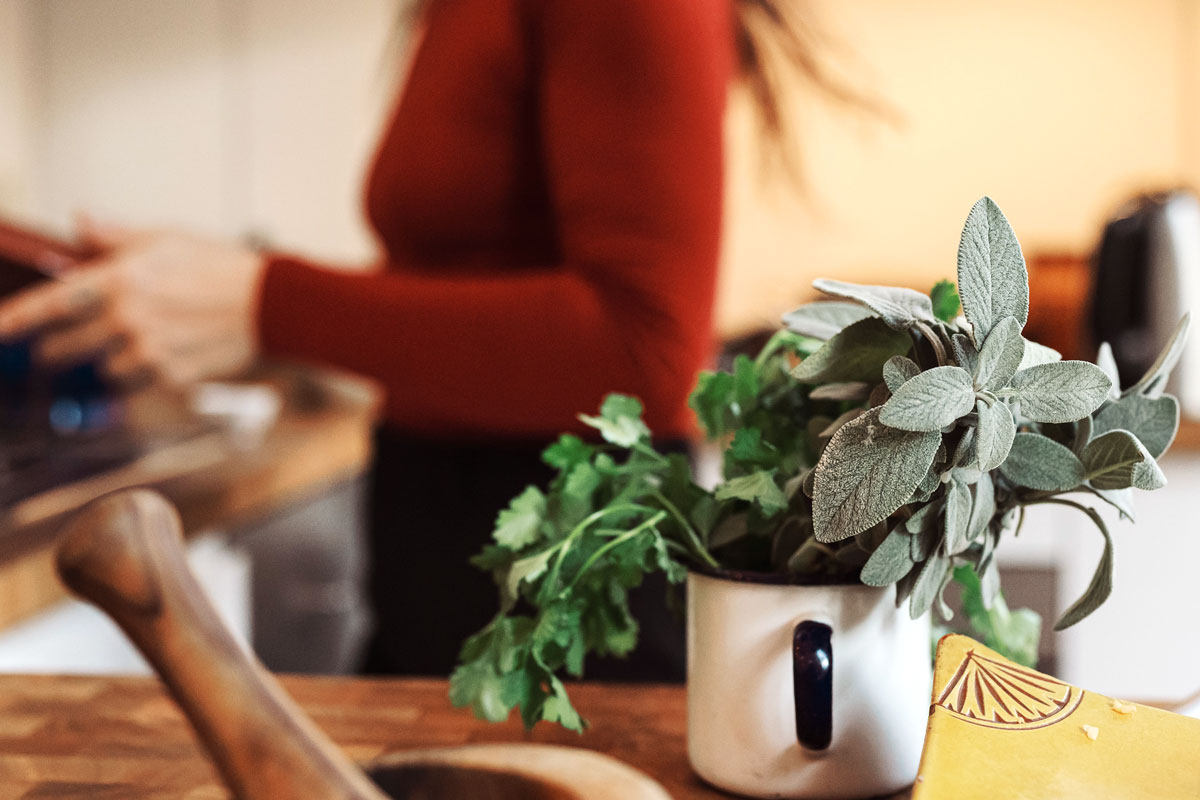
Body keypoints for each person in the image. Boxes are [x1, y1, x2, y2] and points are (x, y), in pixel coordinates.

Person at [0, 0, 844, 677]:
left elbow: (644, 352)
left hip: (561, 620)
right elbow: (462, 283)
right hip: (439, 592)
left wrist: (265, 302)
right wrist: (221, 306)